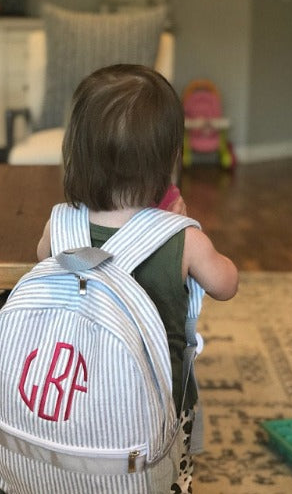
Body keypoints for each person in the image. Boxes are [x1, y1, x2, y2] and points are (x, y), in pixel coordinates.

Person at [37, 64, 239, 493]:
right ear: (170, 158)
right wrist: (184, 228)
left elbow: (42, 262)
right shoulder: (182, 238)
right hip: (155, 402)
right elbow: (226, 284)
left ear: (76, 153)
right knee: (161, 471)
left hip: (78, 381)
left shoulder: (60, 227)